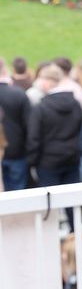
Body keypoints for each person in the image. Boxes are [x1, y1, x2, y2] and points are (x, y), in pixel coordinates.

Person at [27, 64, 82, 193]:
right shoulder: (75, 104)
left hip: (48, 162)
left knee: (51, 200)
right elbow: (81, 129)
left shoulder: (41, 108)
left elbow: (33, 138)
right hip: (72, 157)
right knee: (71, 198)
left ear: (47, 82)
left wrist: (31, 162)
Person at [0, 57, 31, 191]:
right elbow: (29, 125)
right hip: (16, 149)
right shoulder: (18, 94)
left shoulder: (17, 93)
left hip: (13, 150)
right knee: (18, 191)